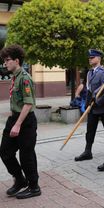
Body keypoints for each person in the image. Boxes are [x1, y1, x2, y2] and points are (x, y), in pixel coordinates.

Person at [0, 45, 41, 199]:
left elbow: (28, 103)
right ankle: (20, 180)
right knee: (5, 151)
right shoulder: (15, 77)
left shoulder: (24, 78)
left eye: (8, 60)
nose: (5, 63)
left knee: (26, 155)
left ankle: (34, 186)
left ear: (17, 61)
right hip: (15, 118)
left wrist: (17, 124)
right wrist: (13, 120)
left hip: (26, 121)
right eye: (4, 60)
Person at [74, 49, 104, 162]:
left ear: (98, 59)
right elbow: (89, 89)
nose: (90, 59)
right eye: (89, 58)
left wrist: (98, 101)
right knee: (90, 130)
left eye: (92, 57)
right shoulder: (89, 73)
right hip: (92, 107)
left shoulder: (103, 73)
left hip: (103, 106)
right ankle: (87, 151)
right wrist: (87, 101)